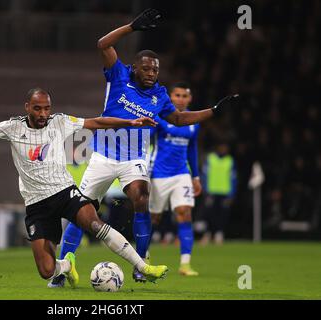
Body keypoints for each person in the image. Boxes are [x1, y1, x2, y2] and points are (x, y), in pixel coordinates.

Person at [50, 8, 239, 286]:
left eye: (156, 69)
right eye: (147, 68)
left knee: (141, 195)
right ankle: (63, 267)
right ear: (135, 67)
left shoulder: (160, 95)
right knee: (83, 211)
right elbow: (103, 43)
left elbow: (178, 118)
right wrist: (131, 27)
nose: (152, 73)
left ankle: (140, 264)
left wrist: (211, 111)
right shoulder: (118, 75)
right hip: (103, 154)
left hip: (133, 159)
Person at [0, 88, 169, 287]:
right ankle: (66, 266)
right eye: (37, 108)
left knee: (95, 224)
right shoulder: (12, 127)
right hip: (36, 204)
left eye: (46, 108)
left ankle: (143, 266)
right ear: (27, 107)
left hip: (65, 193)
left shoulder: (60, 122)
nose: (42, 113)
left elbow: (96, 122)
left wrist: (131, 122)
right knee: (46, 271)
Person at [149, 82, 202, 276]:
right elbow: (148, 140)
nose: (180, 99)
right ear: (171, 97)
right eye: (177, 95)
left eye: (184, 96)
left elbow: (192, 149)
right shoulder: (161, 116)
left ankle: (185, 264)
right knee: (153, 218)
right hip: (158, 174)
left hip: (181, 174)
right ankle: (143, 258)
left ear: (190, 99)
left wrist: (195, 176)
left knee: (184, 213)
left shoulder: (194, 121)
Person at [200, 142, 237, 245]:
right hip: (211, 191)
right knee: (209, 214)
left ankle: (219, 234)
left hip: (225, 192)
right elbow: (204, 174)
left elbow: (233, 178)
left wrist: (232, 193)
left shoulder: (230, 160)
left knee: (222, 215)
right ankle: (207, 234)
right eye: (222, 147)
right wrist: (205, 190)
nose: (223, 149)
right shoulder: (210, 158)